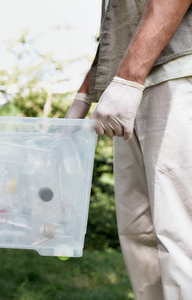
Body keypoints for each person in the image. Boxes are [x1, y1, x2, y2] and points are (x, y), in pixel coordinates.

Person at [66, 0, 192, 299]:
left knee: (180, 236)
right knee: (140, 236)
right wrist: (84, 96)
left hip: (176, 74)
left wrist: (129, 79)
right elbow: (121, 24)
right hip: (129, 90)